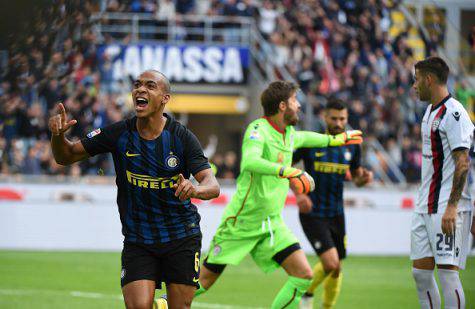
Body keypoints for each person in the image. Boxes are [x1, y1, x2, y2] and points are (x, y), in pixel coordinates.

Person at [48, 70, 220, 309]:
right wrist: (57, 136)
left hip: (181, 237)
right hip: (139, 239)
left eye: (150, 86)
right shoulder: (118, 133)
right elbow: (65, 156)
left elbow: (212, 186)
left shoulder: (182, 138)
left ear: (165, 99)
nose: (141, 89)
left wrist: (195, 190)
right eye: (137, 85)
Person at [195, 81, 363, 308]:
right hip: (242, 223)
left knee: (303, 275)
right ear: (283, 106)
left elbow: (310, 138)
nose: (299, 106)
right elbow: (250, 161)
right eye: (295, 101)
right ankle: (164, 303)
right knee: (203, 283)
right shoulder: (258, 129)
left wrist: (337, 139)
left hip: (270, 224)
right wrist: (288, 171)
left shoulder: (290, 134)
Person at [295, 98, 373, 309]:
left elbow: (356, 176)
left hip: (337, 213)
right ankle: (306, 294)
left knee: (335, 268)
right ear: (325, 117)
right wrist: (299, 194)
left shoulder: (353, 143)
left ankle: (313, 297)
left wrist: (362, 179)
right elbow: (284, 167)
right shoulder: (311, 141)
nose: (339, 123)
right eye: (334, 118)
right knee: (331, 263)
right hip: (312, 212)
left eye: (343, 119)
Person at [411, 57, 474, 309]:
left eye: (416, 79)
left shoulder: (455, 113)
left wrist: (452, 207)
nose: (414, 85)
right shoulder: (429, 111)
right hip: (424, 204)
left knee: (448, 275)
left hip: (447, 207)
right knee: (421, 274)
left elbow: (463, 163)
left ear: (429, 79)